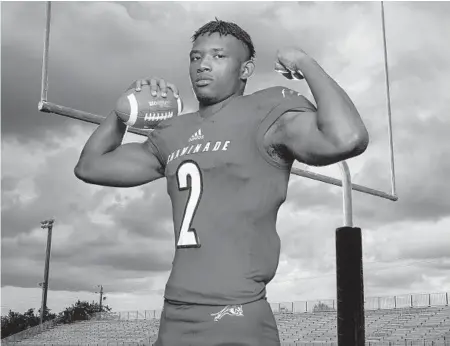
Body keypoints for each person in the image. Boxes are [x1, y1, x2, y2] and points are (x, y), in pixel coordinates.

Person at [75, 19, 369, 346]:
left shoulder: (268, 109)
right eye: (195, 56)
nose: (203, 64)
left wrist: (304, 62)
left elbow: (348, 138)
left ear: (246, 70)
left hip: (237, 315)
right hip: (175, 315)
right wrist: (122, 113)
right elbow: (90, 166)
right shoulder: (173, 132)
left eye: (218, 56)